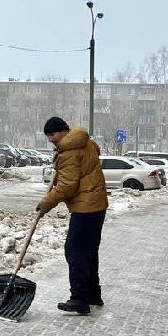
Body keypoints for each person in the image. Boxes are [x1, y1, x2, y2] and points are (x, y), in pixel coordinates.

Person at [37, 116, 108, 315]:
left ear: (62, 131)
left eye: (52, 134)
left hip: (85, 207)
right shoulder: (86, 143)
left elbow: (67, 187)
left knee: (75, 251)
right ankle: (93, 294)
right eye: (48, 136)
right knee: (89, 251)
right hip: (97, 204)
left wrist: (45, 204)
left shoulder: (69, 151)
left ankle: (79, 299)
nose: (50, 139)